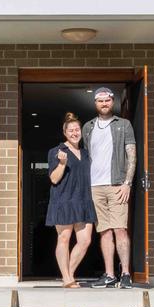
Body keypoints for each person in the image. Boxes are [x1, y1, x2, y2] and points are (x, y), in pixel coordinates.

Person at [62, 87, 136, 289]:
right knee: (103, 232)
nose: (104, 104)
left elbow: (132, 155)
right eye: (100, 101)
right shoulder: (88, 127)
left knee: (120, 229)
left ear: (113, 102)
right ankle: (110, 274)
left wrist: (127, 183)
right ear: (95, 103)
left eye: (107, 100)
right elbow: (79, 151)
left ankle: (126, 274)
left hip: (117, 185)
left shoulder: (124, 125)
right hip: (94, 187)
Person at [46, 112, 97, 288]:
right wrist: (62, 164)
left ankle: (69, 274)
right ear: (64, 132)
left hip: (84, 201)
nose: (75, 133)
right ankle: (67, 278)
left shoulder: (86, 153)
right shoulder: (57, 151)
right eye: (71, 130)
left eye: (77, 129)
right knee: (64, 239)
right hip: (64, 201)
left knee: (85, 240)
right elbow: (53, 179)